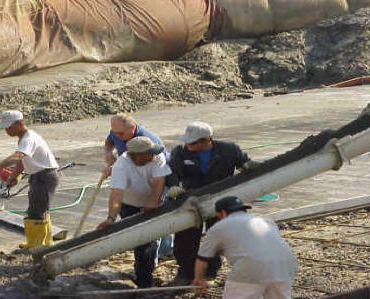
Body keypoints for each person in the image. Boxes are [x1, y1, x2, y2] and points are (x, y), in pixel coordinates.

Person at [167, 121, 258, 282]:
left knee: (217, 235)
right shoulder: (181, 152)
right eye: (188, 142)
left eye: (193, 143)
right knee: (185, 238)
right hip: (191, 200)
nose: (189, 145)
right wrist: (174, 186)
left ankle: (210, 271)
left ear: (206, 141)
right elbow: (173, 171)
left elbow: (243, 162)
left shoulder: (229, 150)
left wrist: (247, 165)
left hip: (220, 199)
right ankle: (186, 272)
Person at [97, 136, 172, 287]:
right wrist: (111, 218)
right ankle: (142, 275)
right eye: (149, 153)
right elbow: (117, 194)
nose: (154, 155)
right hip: (130, 205)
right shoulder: (121, 166)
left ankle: (145, 278)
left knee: (149, 241)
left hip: (153, 201)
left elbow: (159, 182)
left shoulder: (157, 158)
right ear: (137, 156)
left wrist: (153, 202)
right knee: (139, 241)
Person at [192, 196, 298, 299]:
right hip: (286, 263)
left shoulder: (219, 227)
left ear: (222, 213)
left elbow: (202, 258)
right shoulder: (266, 221)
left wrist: (199, 279)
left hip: (251, 266)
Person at [0, 110, 59, 249]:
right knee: (40, 209)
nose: (7, 130)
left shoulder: (29, 138)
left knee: (37, 211)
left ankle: (36, 245)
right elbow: (22, 161)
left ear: (20, 124)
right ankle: (45, 243)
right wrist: (14, 176)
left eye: (9, 127)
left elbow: (18, 156)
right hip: (39, 176)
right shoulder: (24, 139)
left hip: (45, 176)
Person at [103, 113, 173, 256]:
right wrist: (109, 153)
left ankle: (164, 251)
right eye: (116, 132)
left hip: (157, 177)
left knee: (159, 220)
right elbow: (110, 140)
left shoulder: (151, 145)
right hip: (132, 175)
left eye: (120, 133)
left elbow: (159, 180)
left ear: (132, 128)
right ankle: (143, 250)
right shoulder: (119, 134)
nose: (117, 135)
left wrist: (153, 201)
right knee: (136, 229)